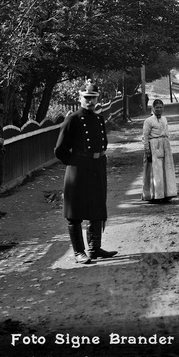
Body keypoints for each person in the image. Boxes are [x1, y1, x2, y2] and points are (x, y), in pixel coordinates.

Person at [54, 81, 116, 265]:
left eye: (93, 98)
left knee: (97, 206)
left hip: (96, 166)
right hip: (78, 169)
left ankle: (95, 248)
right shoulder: (72, 119)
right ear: (80, 98)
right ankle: (79, 252)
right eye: (86, 98)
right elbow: (60, 149)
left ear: (98, 98)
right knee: (75, 211)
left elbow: (102, 143)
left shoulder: (98, 118)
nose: (90, 101)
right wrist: (75, 162)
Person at [142, 99, 178, 203]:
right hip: (154, 146)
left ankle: (167, 193)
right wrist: (147, 151)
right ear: (152, 108)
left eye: (161, 107)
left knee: (166, 169)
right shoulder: (148, 121)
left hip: (165, 145)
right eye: (157, 107)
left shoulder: (164, 119)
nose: (159, 109)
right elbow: (145, 137)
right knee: (156, 170)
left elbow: (166, 133)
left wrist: (166, 144)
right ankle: (155, 195)